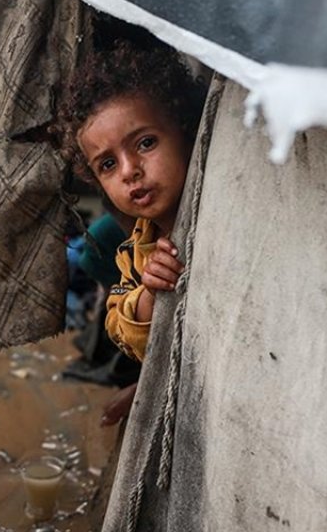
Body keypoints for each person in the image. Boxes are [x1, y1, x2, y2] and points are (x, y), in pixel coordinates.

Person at [54, 41, 203, 424]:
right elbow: (120, 329)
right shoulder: (137, 247)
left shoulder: (213, 210)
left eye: (146, 143)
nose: (129, 170)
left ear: (186, 133)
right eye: (107, 164)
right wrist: (149, 297)